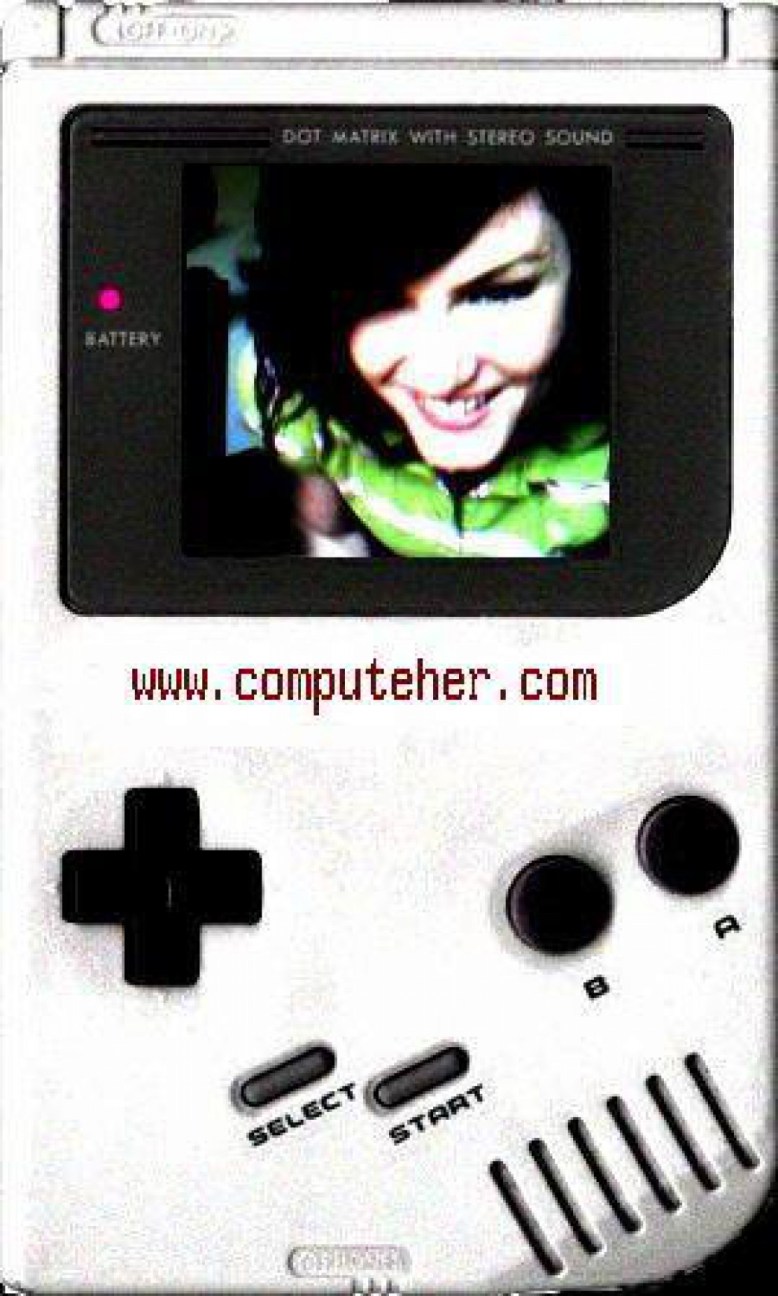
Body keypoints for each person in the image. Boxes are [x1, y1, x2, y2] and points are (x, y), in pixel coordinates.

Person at [245, 164, 610, 557]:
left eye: (498, 293)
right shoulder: (294, 394)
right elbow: (325, 522)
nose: (440, 376)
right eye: (379, 302)